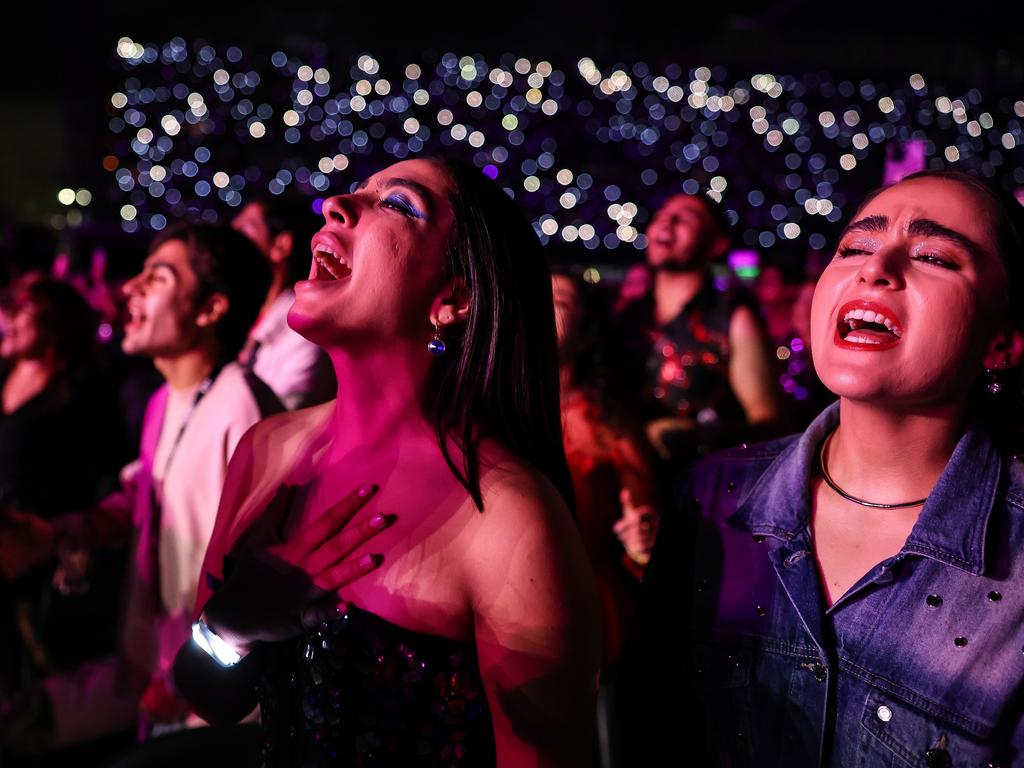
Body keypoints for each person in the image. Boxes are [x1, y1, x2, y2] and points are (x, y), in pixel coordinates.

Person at [174, 157, 601, 766]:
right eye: (356, 191)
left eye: (397, 203)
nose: (337, 203)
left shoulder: (510, 518)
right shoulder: (264, 451)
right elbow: (209, 699)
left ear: (453, 298)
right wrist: (229, 628)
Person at [622, 170, 1024, 766]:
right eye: (856, 246)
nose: (875, 267)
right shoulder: (712, 494)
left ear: (1002, 344)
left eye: (934, 255)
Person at [3, 223, 282, 751]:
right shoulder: (164, 400)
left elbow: (257, 571)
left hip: (213, 712)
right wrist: (58, 533)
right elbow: (144, 496)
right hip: (162, 685)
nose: (129, 288)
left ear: (211, 309)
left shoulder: (241, 407)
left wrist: (194, 675)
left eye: (158, 277)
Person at [615, 191, 785, 464]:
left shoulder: (732, 317)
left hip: (698, 488)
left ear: (715, 245)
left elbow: (771, 423)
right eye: (662, 215)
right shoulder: (625, 316)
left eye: (685, 219)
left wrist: (701, 436)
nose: (666, 223)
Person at [231, 197, 335, 410]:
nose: (230, 240)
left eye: (244, 230)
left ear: (280, 245)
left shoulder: (304, 331)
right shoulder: (239, 323)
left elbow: (287, 417)